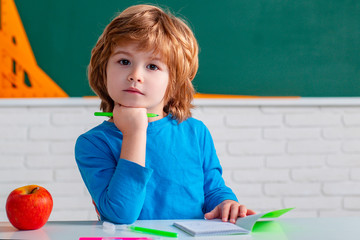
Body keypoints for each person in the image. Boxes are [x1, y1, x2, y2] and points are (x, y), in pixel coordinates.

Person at [75, 4, 255, 224]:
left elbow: (213, 190)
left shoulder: (196, 133)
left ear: (174, 82)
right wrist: (134, 134)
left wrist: (226, 203)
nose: (135, 75)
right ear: (103, 70)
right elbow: (120, 215)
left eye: (152, 66)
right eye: (124, 62)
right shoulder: (93, 144)